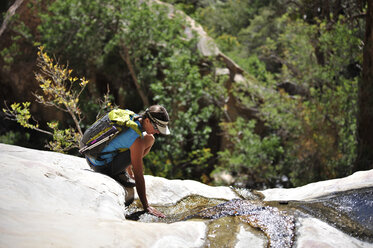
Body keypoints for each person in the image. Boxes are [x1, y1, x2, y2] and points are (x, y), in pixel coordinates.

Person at [85, 105, 170, 218]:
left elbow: (125, 145)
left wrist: (129, 173)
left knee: (150, 138)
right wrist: (146, 207)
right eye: (156, 128)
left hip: (91, 156)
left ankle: (124, 171)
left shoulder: (132, 117)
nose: (158, 132)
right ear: (148, 120)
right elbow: (139, 176)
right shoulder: (136, 139)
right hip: (101, 166)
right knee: (143, 143)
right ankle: (118, 173)